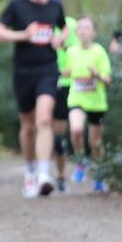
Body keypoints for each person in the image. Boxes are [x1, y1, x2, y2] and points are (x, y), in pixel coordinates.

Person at [0, 0, 67, 198]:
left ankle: (45, 174)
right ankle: (31, 172)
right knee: (28, 126)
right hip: (23, 72)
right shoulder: (17, 5)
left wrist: (59, 39)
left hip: (48, 69)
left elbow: (65, 27)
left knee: (44, 119)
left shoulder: (55, 6)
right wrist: (23, 34)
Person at [62, 17, 112, 193]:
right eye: (80, 28)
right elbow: (68, 72)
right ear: (77, 32)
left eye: (87, 27)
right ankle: (81, 161)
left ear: (94, 32)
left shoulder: (99, 52)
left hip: (96, 103)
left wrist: (96, 74)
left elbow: (108, 80)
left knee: (96, 143)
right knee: (75, 129)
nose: (83, 31)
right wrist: (62, 73)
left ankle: (98, 177)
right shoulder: (71, 52)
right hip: (76, 100)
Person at [53, 15, 78, 192]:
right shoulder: (36, 24)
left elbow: (81, 50)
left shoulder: (71, 25)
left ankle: (61, 177)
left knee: (59, 134)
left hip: (67, 85)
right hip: (42, 82)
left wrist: (63, 45)